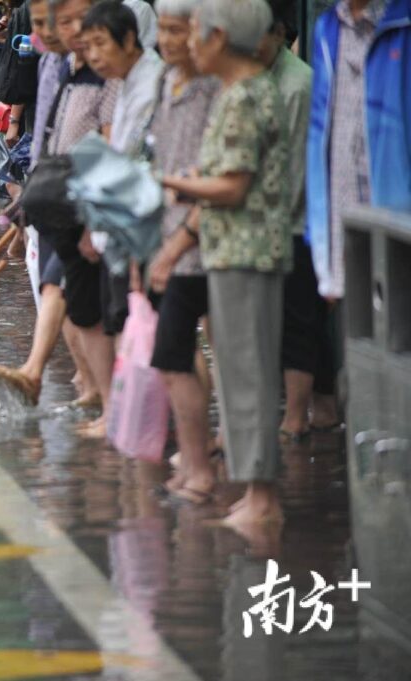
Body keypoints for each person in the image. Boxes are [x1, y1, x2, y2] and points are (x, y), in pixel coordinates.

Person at [161, 0, 291, 530]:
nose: (189, 44)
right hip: (231, 252)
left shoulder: (245, 96)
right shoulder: (242, 92)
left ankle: (263, 499)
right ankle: (254, 491)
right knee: (238, 372)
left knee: (249, 375)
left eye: (194, 33)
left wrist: (171, 182)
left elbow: (232, 186)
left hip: (247, 253)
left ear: (219, 38)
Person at [0, 0, 117, 411]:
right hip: (52, 195)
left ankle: (42, 371)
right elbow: (46, 134)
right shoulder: (53, 65)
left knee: (65, 291)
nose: (46, 33)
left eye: (58, 22)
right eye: (41, 24)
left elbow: (111, 142)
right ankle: (87, 383)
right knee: (60, 292)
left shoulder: (107, 74)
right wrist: (32, 195)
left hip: (87, 199)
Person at [145, 0, 220, 504]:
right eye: (165, 31)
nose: (170, 42)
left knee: (183, 354)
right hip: (167, 241)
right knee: (172, 357)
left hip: (203, 246)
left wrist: (173, 248)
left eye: (180, 31)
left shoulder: (216, 92)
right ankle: (195, 462)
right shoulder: (165, 88)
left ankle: (202, 467)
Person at [75, 0, 162, 438]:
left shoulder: (154, 82)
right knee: (125, 326)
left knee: (163, 340)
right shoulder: (124, 82)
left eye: (100, 43)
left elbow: (139, 163)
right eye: (86, 45)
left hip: (143, 232)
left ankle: (155, 426)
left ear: (131, 40)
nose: (92, 54)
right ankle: (133, 419)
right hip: (120, 228)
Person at [253, 0, 335, 442]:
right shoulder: (261, 79)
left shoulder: (296, 85)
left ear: (277, 34)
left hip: (295, 225)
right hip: (271, 223)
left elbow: (296, 172)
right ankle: (316, 408)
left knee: (299, 322)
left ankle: (297, 416)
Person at [307, 0, 411, 301]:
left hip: (398, 218)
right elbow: (319, 137)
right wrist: (322, 238)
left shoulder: (403, 21)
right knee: (358, 333)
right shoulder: (328, 28)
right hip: (344, 216)